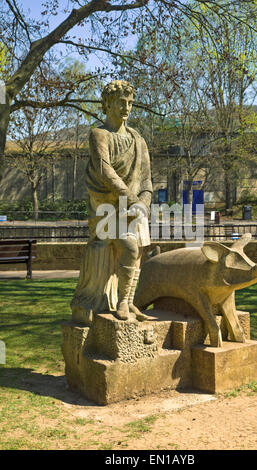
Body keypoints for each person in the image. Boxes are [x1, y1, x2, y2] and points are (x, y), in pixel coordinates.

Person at [71, 80, 152, 324]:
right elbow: (105, 172)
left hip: (133, 207)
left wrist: (144, 204)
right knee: (129, 247)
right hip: (106, 208)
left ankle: (129, 300)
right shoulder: (99, 135)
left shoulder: (138, 140)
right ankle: (123, 303)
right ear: (108, 104)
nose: (126, 108)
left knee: (137, 254)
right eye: (121, 103)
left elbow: (147, 180)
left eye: (130, 103)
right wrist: (131, 198)